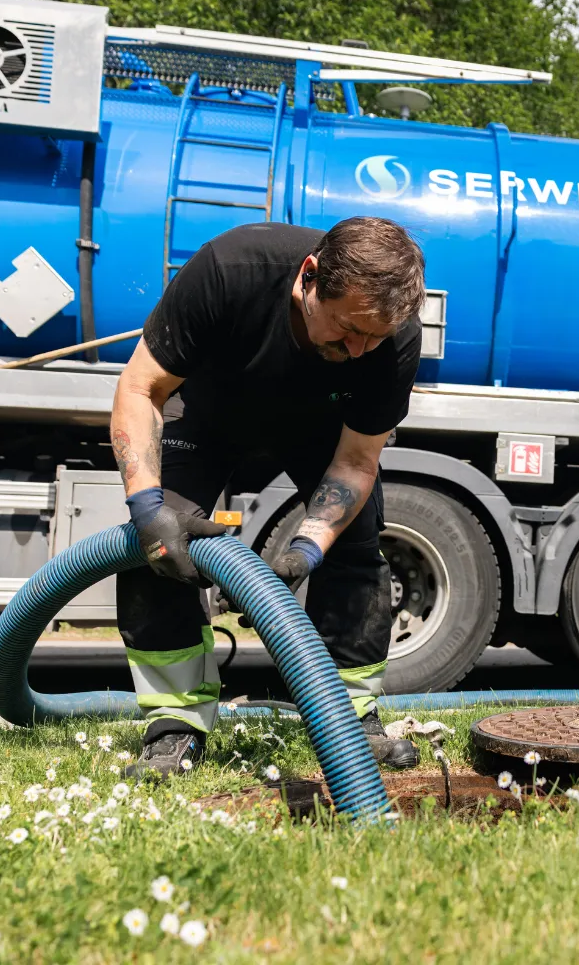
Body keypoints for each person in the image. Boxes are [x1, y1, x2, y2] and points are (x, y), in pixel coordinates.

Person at [109, 216, 425, 778]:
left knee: (354, 548)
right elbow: (140, 388)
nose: (359, 350)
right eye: (347, 328)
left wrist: (306, 549)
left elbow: (356, 461)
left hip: (319, 426)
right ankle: (175, 725)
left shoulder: (393, 335)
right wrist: (147, 510)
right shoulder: (230, 269)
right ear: (309, 277)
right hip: (208, 412)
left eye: (373, 338)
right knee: (156, 545)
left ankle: (350, 718)